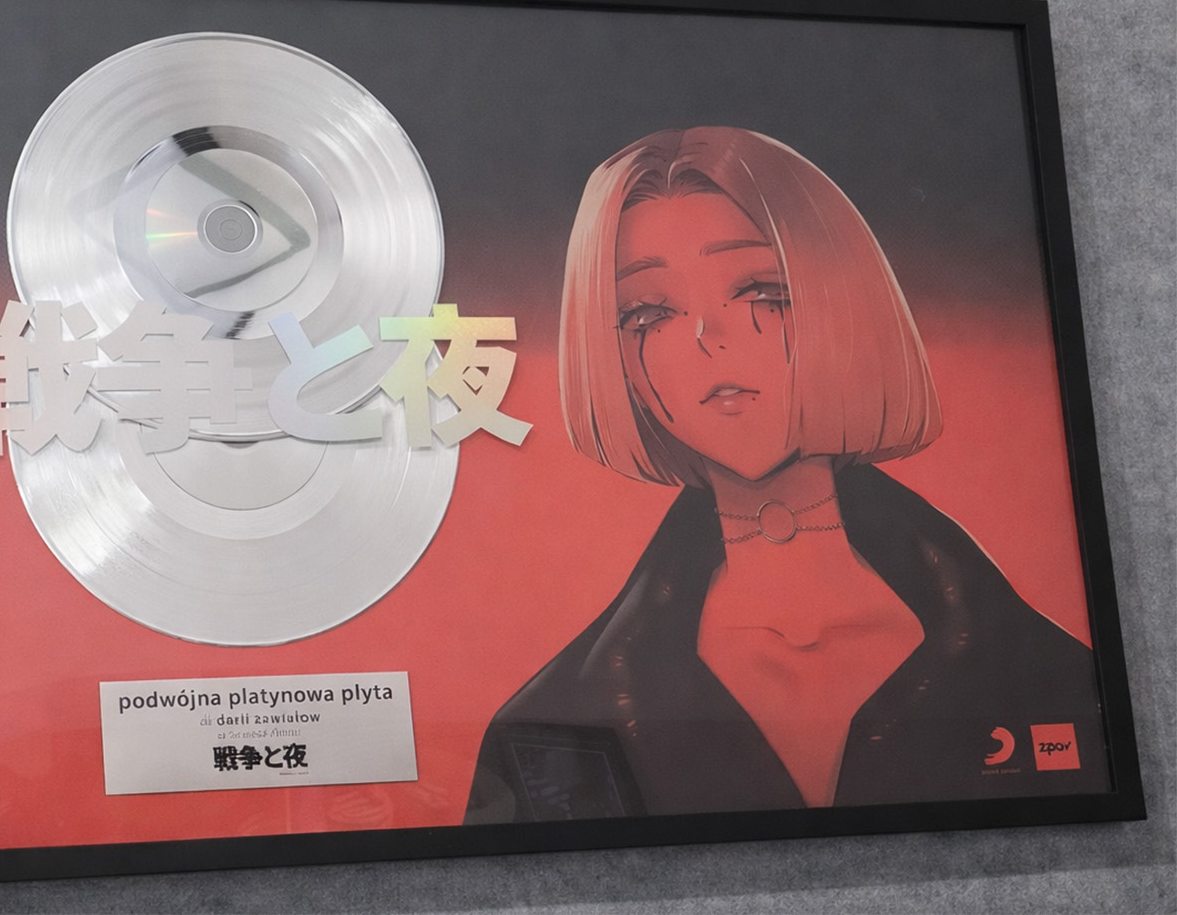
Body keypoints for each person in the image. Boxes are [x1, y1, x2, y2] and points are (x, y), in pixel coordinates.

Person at [463, 127, 1106, 824]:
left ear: (845, 304)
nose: (708, 337)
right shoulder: (547, 731)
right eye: (648, 312)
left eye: (760, 291)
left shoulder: (1051, 676)